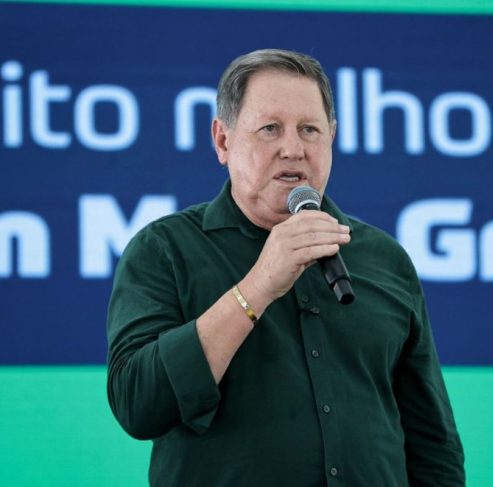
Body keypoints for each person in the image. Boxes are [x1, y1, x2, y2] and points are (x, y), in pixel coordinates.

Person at [107, 48, 465, 486]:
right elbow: (138, 405)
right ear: (223, 141)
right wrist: (257, 287)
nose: (293, 149)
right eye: (270, 129)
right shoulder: (164, 250)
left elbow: (433, 445)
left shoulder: (383, 258)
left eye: (309, 130)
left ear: (331, 137)